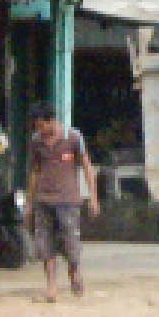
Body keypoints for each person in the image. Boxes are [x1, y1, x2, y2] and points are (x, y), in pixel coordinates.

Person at [26, 101, 100, 303]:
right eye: (36, 126)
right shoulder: (36, 142)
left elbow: (87, 167)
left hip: (68, 201)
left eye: (41, 125)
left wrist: (93, 197)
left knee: (70, 241)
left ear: (51, 121)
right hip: (43, 200)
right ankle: (51, 287)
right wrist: (29, 203)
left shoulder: (73, 137)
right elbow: (34, 171)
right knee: (45, 244)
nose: (39, 130)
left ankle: (74, 273)